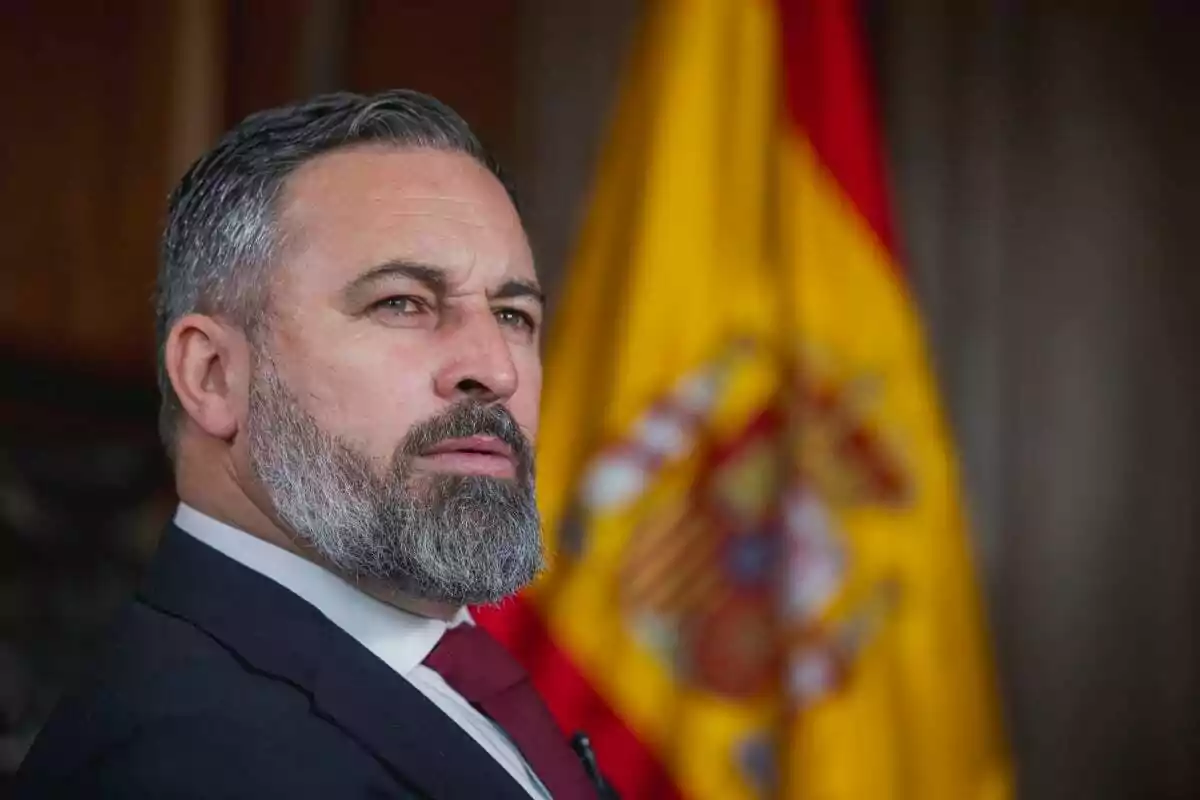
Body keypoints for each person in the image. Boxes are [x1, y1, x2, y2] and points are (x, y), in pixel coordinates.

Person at [14, 90, 602, 799]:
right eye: (402, 303)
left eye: (514, 314)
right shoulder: (188, 763)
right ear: (214, 375)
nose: (497, 368)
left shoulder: (449, 671)